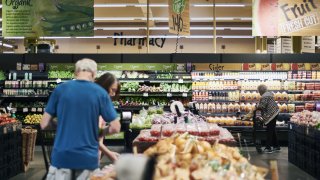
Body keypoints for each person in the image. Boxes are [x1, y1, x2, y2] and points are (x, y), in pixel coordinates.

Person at [41, 59, 121, 180]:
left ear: (76, 72)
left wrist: (61, 126)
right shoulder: (100, 93)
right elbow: (115, 127)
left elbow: (44, 124)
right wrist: (99, 131)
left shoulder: (60, 90)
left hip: (61, 158)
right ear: (94, 74)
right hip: (88, 159)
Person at [95, 73, 121, 162]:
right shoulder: (94, 106)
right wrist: (109, 154)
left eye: (115, 91)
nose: (113, 94)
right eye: (112, 90)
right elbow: (91, 137)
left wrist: (106, 129)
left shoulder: (99, 103)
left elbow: (95, 132)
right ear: (104, 87)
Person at [256, 84, 280, 153]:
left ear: (261, 91)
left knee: (269, 130)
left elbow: (262, 106)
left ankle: (268, 147)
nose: (259, 93)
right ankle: (276, 146)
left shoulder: (264, 96)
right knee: (272, 130)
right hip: (275, 112)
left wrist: (256, 107)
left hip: (272, 114)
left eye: (259, 91)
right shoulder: (268, 94)